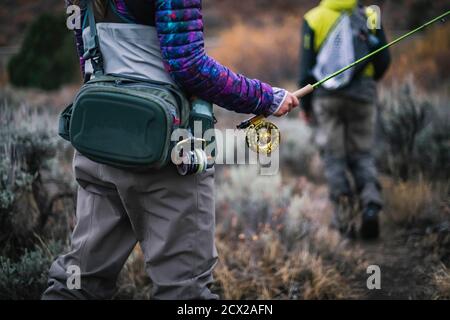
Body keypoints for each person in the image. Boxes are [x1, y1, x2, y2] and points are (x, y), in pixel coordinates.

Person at [42, 0, 299, 300]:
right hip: (167, 155)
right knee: (185, 290)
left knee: (79, 281)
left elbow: (88, 56)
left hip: (99, 145)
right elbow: (189, 65)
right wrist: (265, 98)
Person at [298, 0, 390, 239]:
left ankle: (346, 222)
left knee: (334, 157)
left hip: (326, 99)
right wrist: (366, 83)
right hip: (362, 95)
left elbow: (306, 68)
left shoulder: (314, 18)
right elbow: (383, 60)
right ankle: (370, 205)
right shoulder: (371, 15)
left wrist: (305, 106)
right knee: (362, 153)